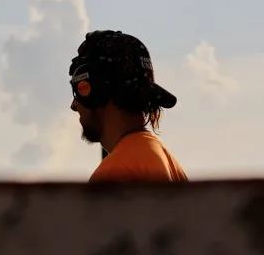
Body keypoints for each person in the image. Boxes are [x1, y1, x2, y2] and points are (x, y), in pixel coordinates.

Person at [68, 29, 188, 182]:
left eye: (79, 89)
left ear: (96, 91)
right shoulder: (171, 166)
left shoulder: (114, 174)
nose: (74, 105)